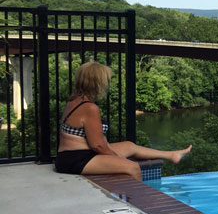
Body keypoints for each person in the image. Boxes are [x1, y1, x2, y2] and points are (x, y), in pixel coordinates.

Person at [54, 61, 192, 180]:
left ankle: (171, 154)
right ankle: (138, 207)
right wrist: (117, 159)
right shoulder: (90, 108)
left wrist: (115, 154)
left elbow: (95, 143)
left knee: (129, 146)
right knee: (133, 167)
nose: (107, 84)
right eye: (106, 80)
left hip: (74, 155)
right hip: (75, 160)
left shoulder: (75, 101)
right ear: (96, 83)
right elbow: (98, 146)